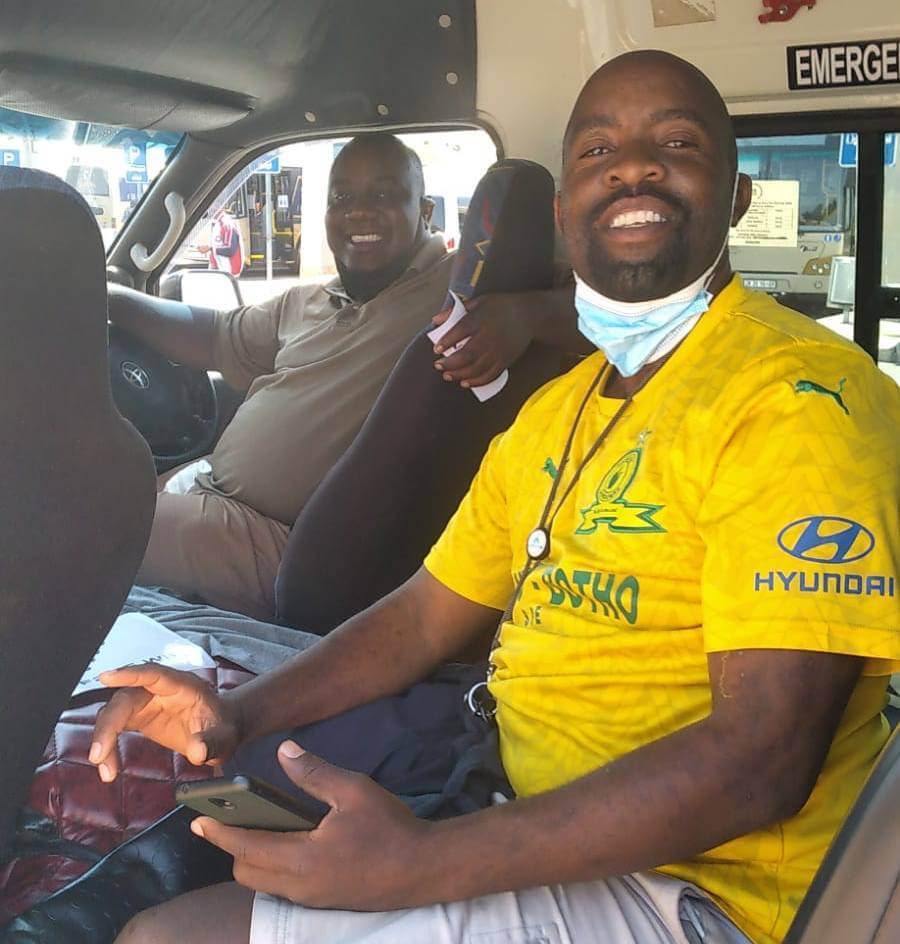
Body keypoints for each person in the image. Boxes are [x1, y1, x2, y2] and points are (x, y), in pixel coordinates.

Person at [95, 51, 898, 944]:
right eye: (598, 152)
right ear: (563, 216)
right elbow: (423, 619)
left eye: (676, 142)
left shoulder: (800, 399)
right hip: (520, 795)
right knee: (205, 841)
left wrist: (425, 863)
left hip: (698, 892)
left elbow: (764, 761)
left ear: (737, 197)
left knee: (164, 939)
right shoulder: (558, 412)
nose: (633, 166)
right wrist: (241, 708)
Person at [110, 133, 577, 619]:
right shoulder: (308, 301)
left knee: (75, 519)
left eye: (382, 194)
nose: (358, 211)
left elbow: (611, 314)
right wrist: (111, 298)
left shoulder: (458, 294)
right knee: (98, 491)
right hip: (210, 495)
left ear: (426, 212)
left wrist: (528, 313)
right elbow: (215, 334)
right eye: (342, 198)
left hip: (283, 545)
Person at [199, 205, 245, 276]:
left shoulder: (226, 223)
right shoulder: (216, 223)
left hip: (228, 271)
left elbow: (230, 249)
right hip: (219, 270)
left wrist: (210, 248)